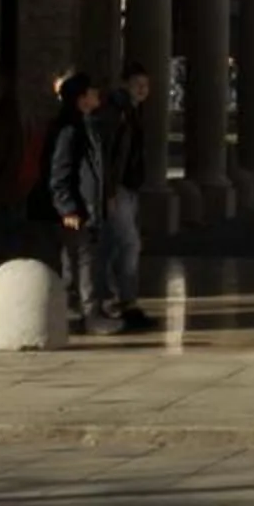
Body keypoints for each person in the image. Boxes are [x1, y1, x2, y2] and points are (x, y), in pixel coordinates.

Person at [33, 73, 118, 335]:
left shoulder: (85, 125)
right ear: (81, 98)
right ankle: (87, 316)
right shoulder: (69, 129)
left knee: (82, 261)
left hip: (88, 206)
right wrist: (67, 207)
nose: (97, 96)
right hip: (76, 209)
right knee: (81, 263)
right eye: (93, 92)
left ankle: (82, 314)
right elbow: (60, 172)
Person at [98, 64, 152, 330]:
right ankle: (122, 301)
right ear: (125, 85)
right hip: (117, 187)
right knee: (128, 244)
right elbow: (108, 155)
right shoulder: (117, 113)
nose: (142, 89)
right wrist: (108, 191)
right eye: (137, 83)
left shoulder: (132, 112)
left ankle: (119, 300)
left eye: (146, 85)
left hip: (128, 187)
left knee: (117, 244)